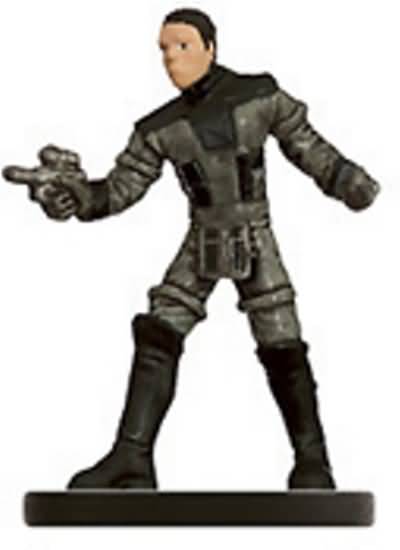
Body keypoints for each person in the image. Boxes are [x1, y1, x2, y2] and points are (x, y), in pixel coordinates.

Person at [3, 8, 380, 490]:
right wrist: (77, 197)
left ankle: (313, 461)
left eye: (182, 46)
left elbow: (306, 145)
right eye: (163, 49)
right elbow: (119, 190)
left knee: (279, 335)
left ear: (210, 48)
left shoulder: (259, 95)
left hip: (254, 235)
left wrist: (346, 180)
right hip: (202, 237)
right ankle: (132, 456)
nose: (171, 58)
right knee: (160, 328)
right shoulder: (159, 127)